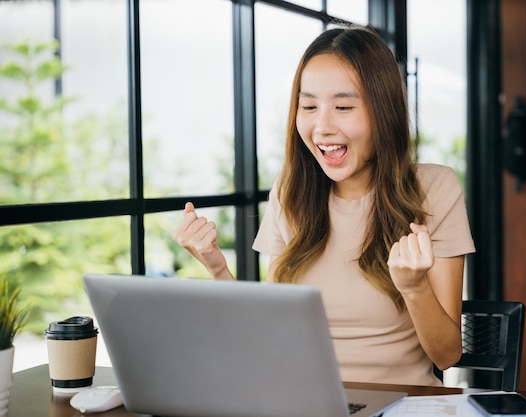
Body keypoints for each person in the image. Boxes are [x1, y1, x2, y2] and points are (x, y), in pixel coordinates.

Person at [173, 25, 475, 386]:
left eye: (344, 106)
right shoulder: (290, 192)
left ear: (384, 112)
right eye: (309, 106)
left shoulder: (434, 189)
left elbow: (447, 354)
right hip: (299, 402)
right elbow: (265, 341)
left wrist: (414, 287)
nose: (322, 127)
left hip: (401, 406)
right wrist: (217, 268)